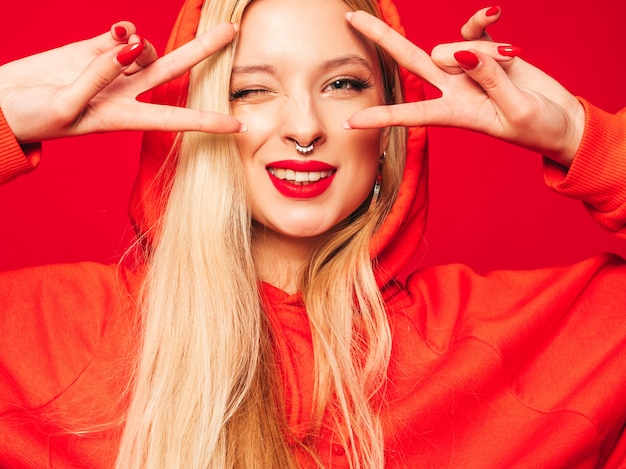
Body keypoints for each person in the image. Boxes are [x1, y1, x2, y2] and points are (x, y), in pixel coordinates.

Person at [0, 0, 624, 468]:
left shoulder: (513, 344)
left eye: (342, 84)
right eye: (250, 89)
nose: (304, 126)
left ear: (393, 125)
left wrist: (579, 134)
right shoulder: (51, 337)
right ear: (183, 115)